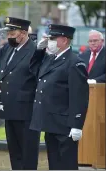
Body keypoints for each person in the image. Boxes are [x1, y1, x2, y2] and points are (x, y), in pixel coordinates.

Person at [29, 24, 89, 170]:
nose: (50, 42)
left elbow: (79, 95)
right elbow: (34, 69)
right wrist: (38, 51)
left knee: (66, 164)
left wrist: (76, 125)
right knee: (54, 164)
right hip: (50, 122)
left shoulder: (74, 62)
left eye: (52, 39)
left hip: (64, 125)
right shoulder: (51, 59)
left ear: (63, 40)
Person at [0, 17, 41, 170]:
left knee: (27, 152)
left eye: (12, 33)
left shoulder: (34, 51)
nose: (9, 36)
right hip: (9, 107)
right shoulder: (8, 49)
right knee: (14, 151)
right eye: (8, 33)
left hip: (26, 110)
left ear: (23, 33)